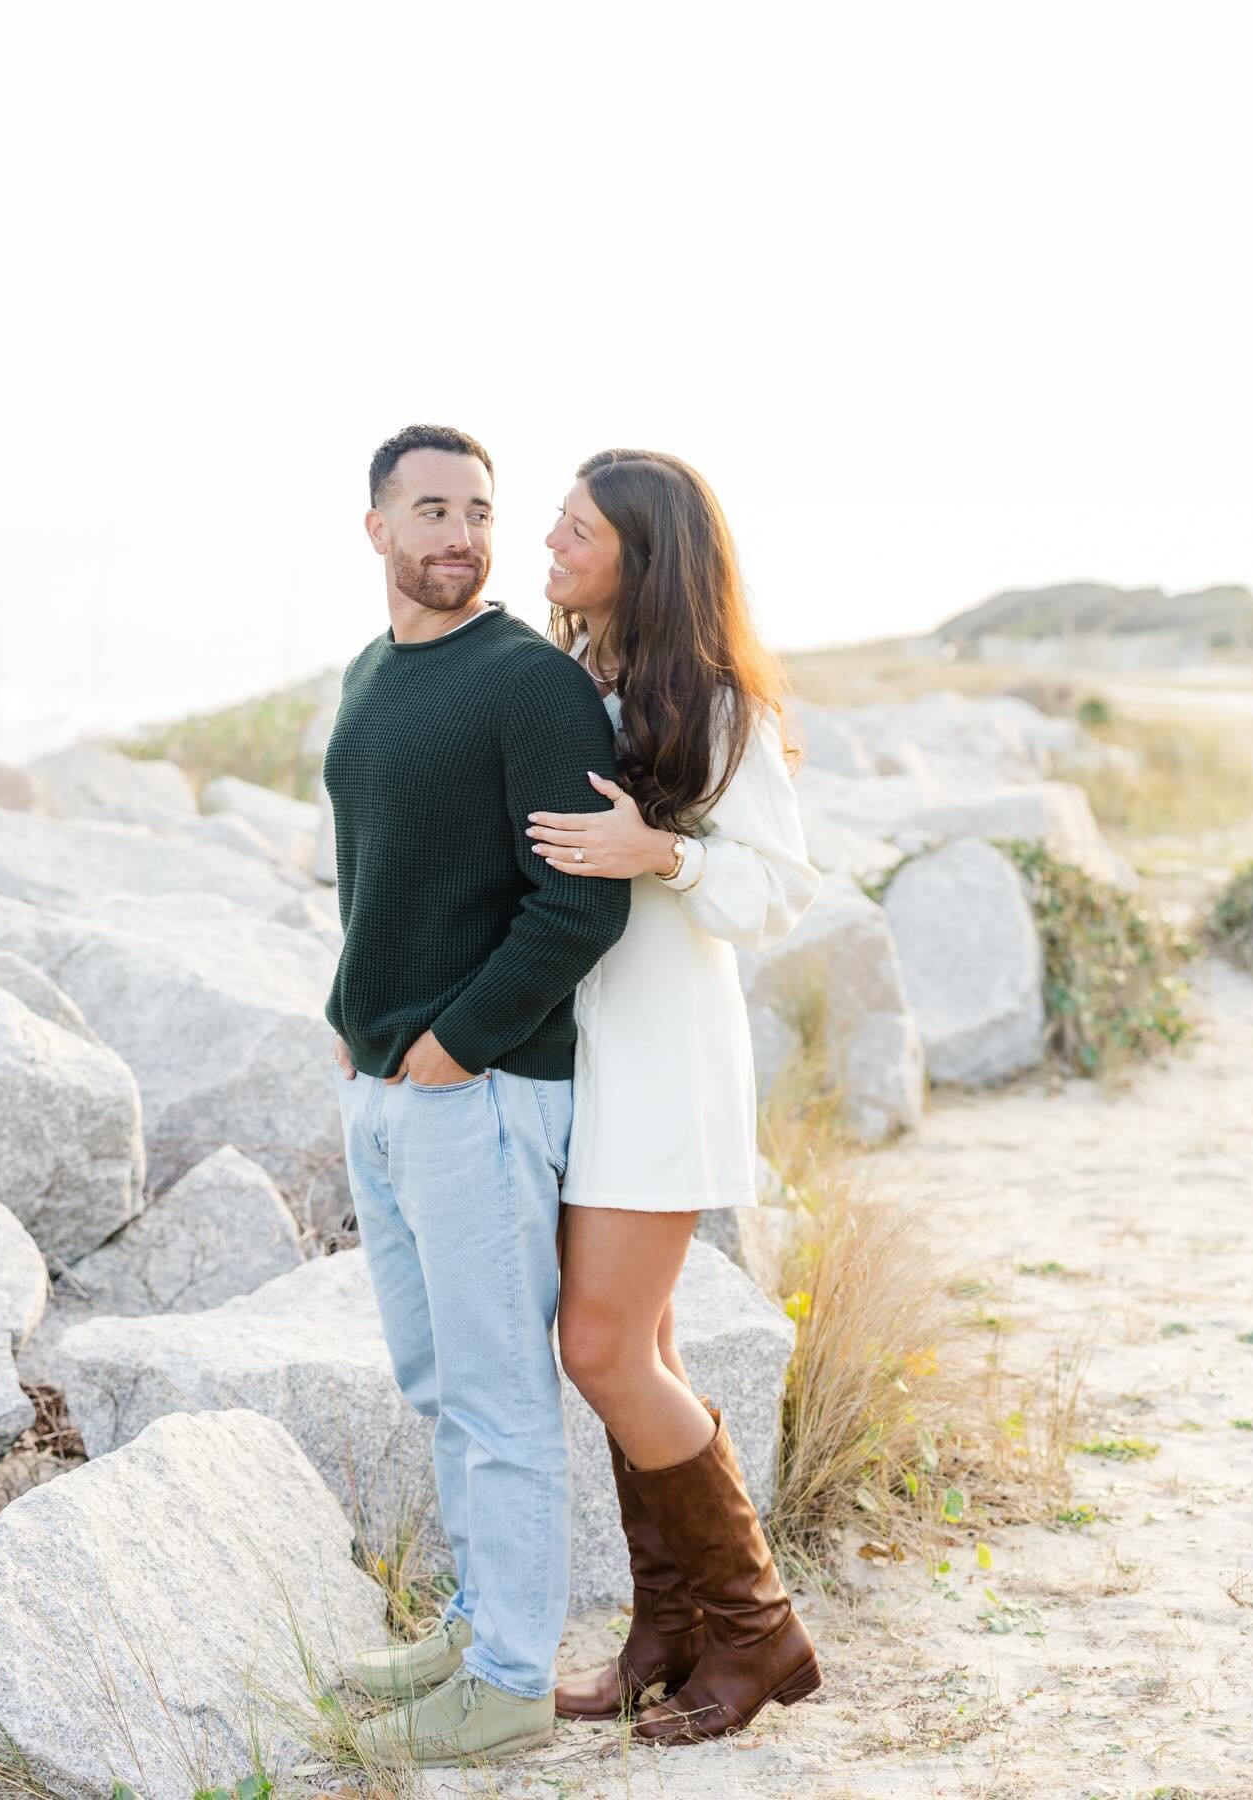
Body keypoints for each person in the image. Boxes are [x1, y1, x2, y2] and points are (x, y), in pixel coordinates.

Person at [325, 424, 630, 1768]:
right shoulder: (370, 673)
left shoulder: (531, 686)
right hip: (386, 1088)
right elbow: (375, 865)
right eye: (431, 508)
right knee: (442, 1378)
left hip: (488, 1093)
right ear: (377, 527)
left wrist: (453, 1048)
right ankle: (478, 1625)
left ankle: (512, 1677)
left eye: (480, 511)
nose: (459, 533)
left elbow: (583, 903)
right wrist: (357, 1026)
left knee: (502, 1394)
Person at [529, 448, 825, 1744]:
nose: (548, 540)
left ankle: (758, 1633)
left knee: (600, 1348)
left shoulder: (713, 701)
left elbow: (780, 889)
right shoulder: (579, 685)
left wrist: (665, 854)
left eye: (577, 528)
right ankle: (671, 1625)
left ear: (643, 558)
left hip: (662, 1067)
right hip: (583, 1066)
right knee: (630, 1352)